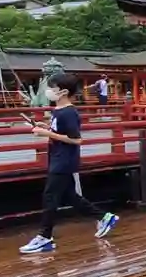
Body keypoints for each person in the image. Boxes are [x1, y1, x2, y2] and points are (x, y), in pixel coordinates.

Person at [19, 73, 119, 254]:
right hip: (57, 157)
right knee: (70, 196)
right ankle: (105, 217)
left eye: (52, 88)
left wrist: (47, 134)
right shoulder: (58, 110)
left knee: (50, 197)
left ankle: (44, 237)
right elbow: (60, 131)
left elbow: (76, 139)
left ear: (64, 92)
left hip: (63, 161)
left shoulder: (69, 112)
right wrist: (46, 127)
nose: (49, 91)